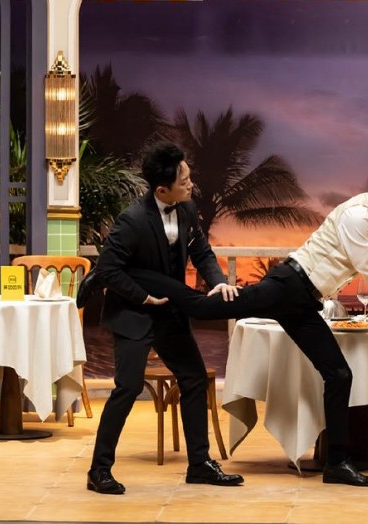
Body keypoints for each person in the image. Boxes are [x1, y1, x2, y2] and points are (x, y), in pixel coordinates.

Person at [113, 155, 368, 487]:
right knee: (203, 308)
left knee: (339, 374)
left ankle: (337, 464)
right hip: (288, 288)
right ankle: (147, 280)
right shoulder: (357, 217)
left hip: (302, 301)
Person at [86, 143, 244, 495]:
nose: (191, 184)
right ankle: (99, 470)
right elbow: (108, 270)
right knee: (127, 388)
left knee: (193, 378)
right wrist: (143, 297)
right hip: (133, 313)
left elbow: (202, 252)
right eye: (184, 181)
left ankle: (199, 464)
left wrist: (218, 282)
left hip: (169, 312)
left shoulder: (186, 209)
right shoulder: (131, 220)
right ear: (161, 189)